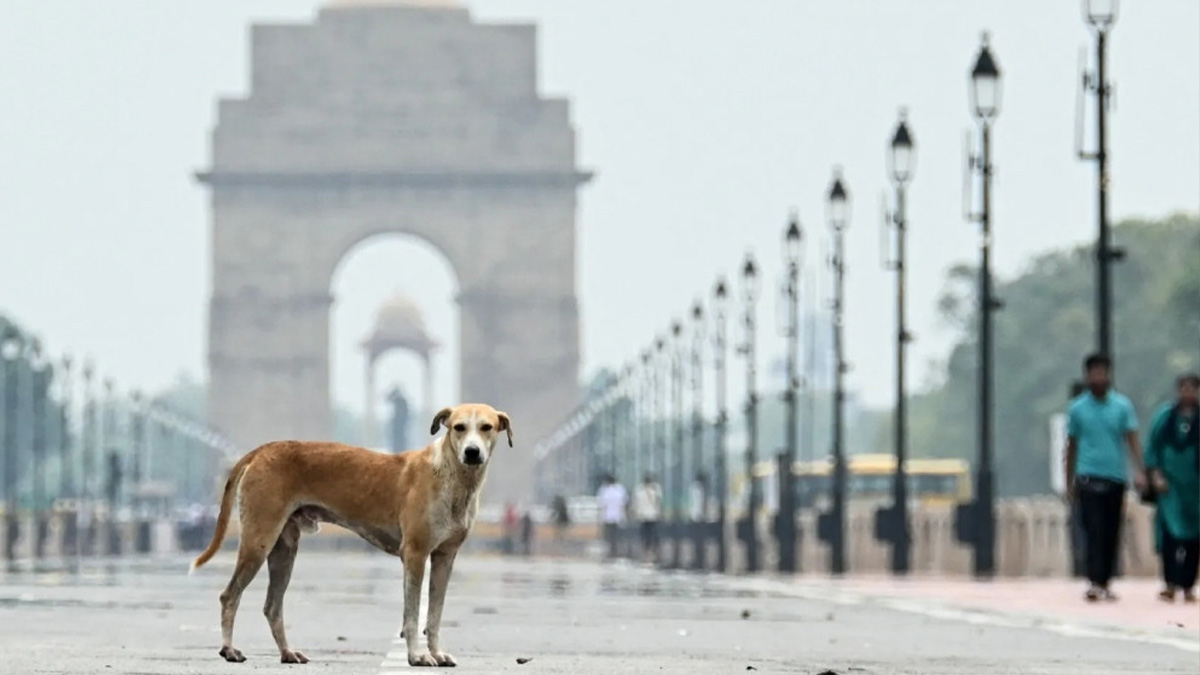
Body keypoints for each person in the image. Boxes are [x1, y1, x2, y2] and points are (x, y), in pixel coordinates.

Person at [1065, 353, 1147, 602]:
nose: (1099, 377)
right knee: (1092, 529)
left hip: (1115, 477)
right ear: (1087, 375)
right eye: (1094, 373)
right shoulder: (1077, 408)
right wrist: (1069, 480)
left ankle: (1105, 581)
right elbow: (1071, 446)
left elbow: (1131, 439)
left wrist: (1139, 470)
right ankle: (1093, 580)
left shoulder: (1122, 406)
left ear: (1109, 375)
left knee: (1111, 531)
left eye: (1103, 372)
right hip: (1087, 476)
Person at [1145, 373, 1200, 603]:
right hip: (1170, 486)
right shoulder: (1165, 417)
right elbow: (1152, 447)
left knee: (1194, 537)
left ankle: (1188, 585)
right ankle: (1169, 582)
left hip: (1195, 488)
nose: (1187, 393)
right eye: (1183, 388)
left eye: (1192, 388)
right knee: (1170, 534)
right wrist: (1155, 474)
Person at [631, 473, 663, 563]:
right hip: (652, 516)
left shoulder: (639, 490)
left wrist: (635, 513)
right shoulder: (655, 489)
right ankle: (653, 554)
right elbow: (659, 502)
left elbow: (635, 504)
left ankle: (646, 554)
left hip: (643, 516)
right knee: (653, 536)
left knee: (645, 537)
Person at [595, 474, 628, 560]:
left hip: (607, 517)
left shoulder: (603, 490)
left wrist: (600, 517)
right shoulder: (620, 489)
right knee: (617, 536)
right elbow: (624, 503)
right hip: (618, 516)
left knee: (608, 536)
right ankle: (616, 551)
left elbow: (601, 505)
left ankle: (610, 552)